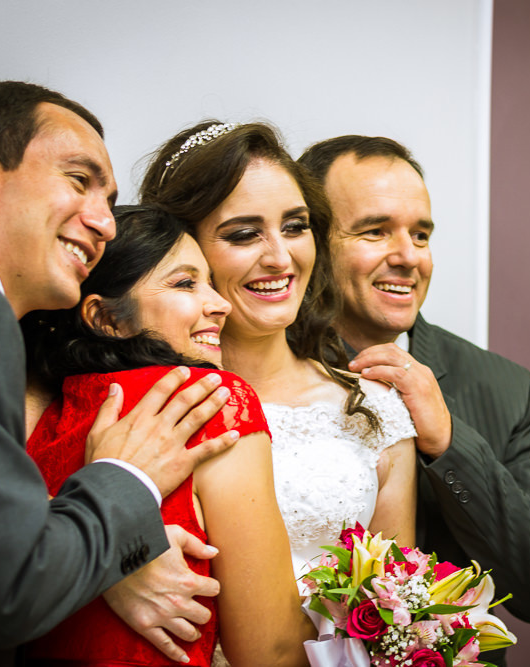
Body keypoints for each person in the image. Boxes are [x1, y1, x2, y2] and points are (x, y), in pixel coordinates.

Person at [0, 82, 235, 667]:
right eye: (79, 182)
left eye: (108, 200)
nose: (104, 224)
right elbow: (4, 593)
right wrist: (127, 476)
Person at [298, 135, 530, 656]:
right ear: (314, 243)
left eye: (421, 234)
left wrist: (450, 442)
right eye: (375, 231)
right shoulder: (263, 370)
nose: (409, 257)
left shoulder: (505, 388)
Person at [21, 205, 311, 667]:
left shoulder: (48, 415)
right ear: (107, 319)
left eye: (211, 283)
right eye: (185, 283)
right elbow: (269, 651)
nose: (221, 305)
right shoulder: (208, 400)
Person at [140, 123, 418, 588]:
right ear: (183, 246)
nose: (281, 258)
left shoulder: (375, 408)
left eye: (295, 227)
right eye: (245, 234)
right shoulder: (138, 402)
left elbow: (399, 610)